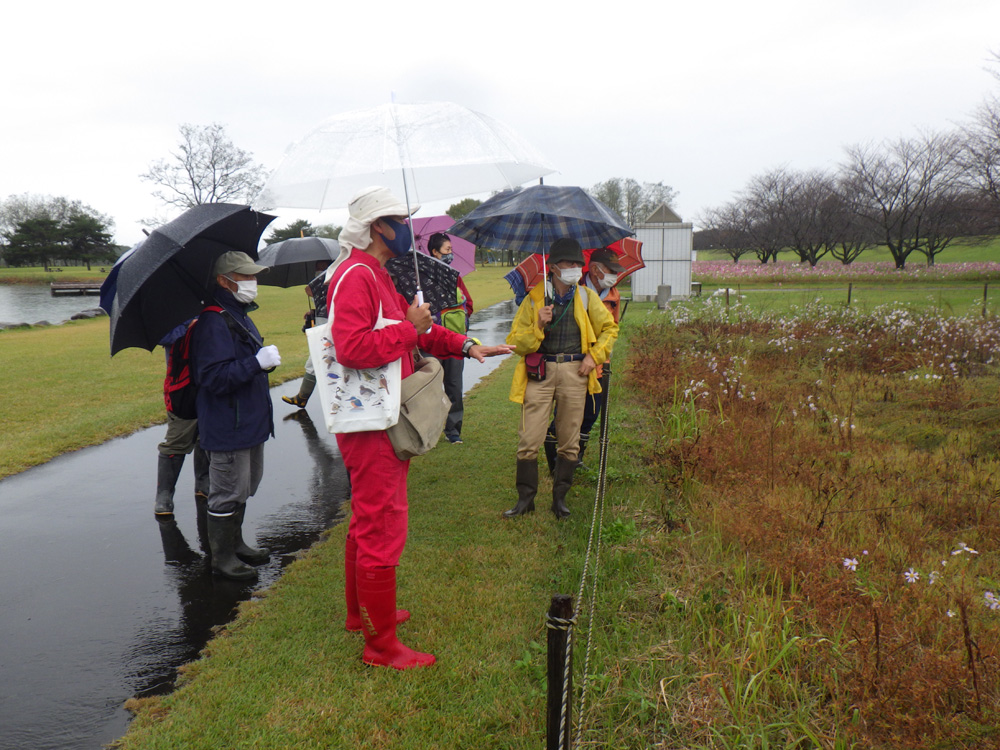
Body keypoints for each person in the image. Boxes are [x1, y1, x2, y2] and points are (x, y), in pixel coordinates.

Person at [329, 186, 512, 670]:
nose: (407, 227)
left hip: (382, 413)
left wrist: (467, 345)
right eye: (398, 219)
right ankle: (380, 645)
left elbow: (420, 329)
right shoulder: (355, 275)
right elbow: (351, 347)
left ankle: (360, 615)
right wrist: (410, 328)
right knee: (382, 523)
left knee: (367, 520)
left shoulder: (374, 272)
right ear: (377, 228)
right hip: (372, 423)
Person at [503, 238, 618, 520]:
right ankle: (525, 500)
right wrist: (537, 325)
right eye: (569, 263)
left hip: (575, 373)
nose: (576, 268)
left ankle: (560, 499)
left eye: (579, 264)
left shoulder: (586, 297)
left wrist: (594, 356)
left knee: (569, 439)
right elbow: (516, 342)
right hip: (539, 374)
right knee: (529, 438)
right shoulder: (534, 299)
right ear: (553, 267)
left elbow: (609, 330)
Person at [191, 251, 281, 581]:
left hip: (248, 422)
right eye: (245, 277)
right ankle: (222, 558)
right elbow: (213, 377)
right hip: (229, 424)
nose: (252, 282)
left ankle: (236, 543)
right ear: (224, 281)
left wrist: (261, 361)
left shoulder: (237, 313)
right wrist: (256, 363)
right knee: (227, 491)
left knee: (243, 487)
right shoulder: (213, 320)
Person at [542, 248, 625, 473]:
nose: (615, 275)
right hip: (571, 362)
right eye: (611, 270)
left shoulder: (613, 294)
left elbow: (612, 327)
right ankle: (554, 460)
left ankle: (575, 458)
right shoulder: (574, 290)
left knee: (590, 413)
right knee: (565, 416)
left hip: (597, 363)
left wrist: (600, 353)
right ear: (596, 269)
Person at [154, 323, 210, 516]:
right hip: (182, 383)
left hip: (211, 379)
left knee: (206, 433)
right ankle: (164, 494)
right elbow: (161, 334)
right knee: (178, 437)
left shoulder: (209, 298)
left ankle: (204, 483)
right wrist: (191, 327)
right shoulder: (169, 304)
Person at [427, 232, 475, 444]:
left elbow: (469, 304)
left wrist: (458, 317)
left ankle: (453, 431)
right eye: (447, 250)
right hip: (431, 344)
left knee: (454, 386)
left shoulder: (456, 277)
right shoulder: (422, 280)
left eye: (451, 251)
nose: (450, 254)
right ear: (434, 252)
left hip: (455, 342)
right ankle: (429, 431)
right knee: (431, 388)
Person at [282, 260, 332, 409]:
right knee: (317, 360)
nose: (316, 269)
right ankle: (302, 397)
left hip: (329, 326)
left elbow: (308, 290)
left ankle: (303, 397)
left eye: (319, 266)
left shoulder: (331, 276)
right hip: (324, 321)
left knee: (317, 359)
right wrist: (314, 312)